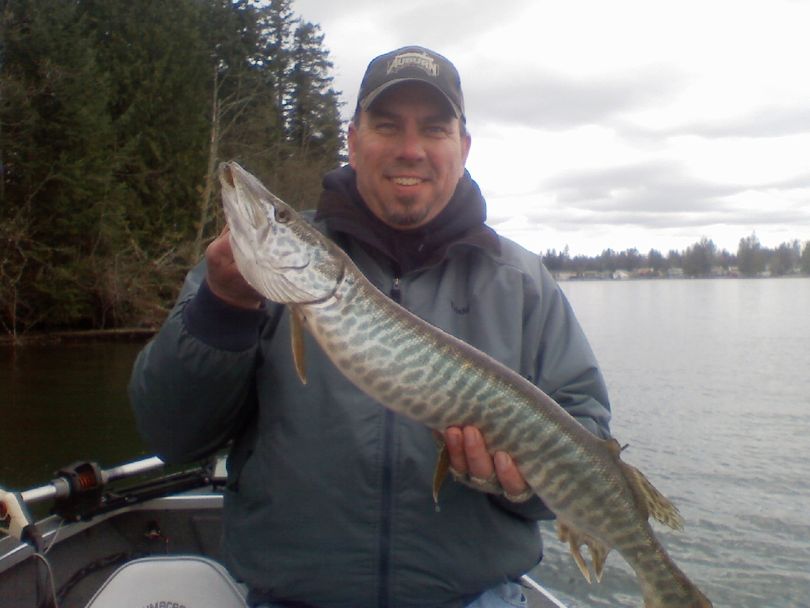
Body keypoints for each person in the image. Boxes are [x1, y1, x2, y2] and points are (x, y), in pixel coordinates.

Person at [129, 45, 611, 608]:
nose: (411, 150)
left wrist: (522, 484)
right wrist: (221, 311)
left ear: (463, 148)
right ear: (353, 141)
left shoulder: (523, 284)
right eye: (387, 126)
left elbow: (586, 447)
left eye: (434, 129)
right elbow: (173, 438)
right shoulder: (243, 277)